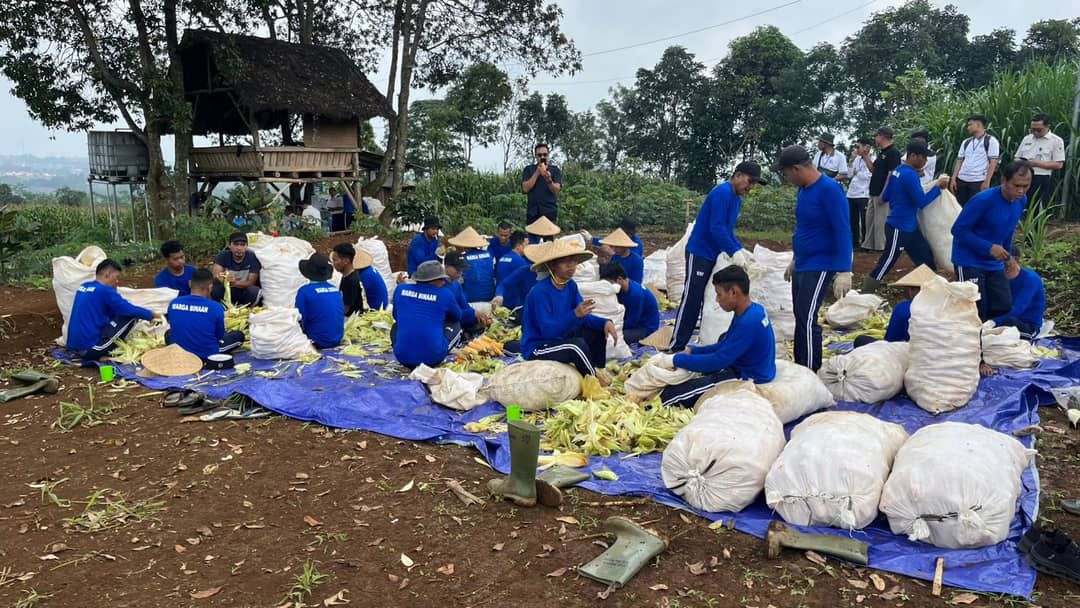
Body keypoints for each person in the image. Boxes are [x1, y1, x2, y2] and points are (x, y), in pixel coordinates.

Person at [670, 161, 768, 352]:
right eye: (750, 181)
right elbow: (716, 227)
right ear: (738, 175)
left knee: (707, 297)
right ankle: (676, 345)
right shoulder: (723, 193)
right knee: (692, 298)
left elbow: (727, 230)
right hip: (700, 252)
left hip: (713, 254)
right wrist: (733, 251)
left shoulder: (736, 199)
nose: (750, 187)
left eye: (754, 184)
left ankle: (702, 343)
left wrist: (740, 250)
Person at [775, 145, 852, 371]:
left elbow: (842, 229)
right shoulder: (804, 191)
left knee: (808, 318)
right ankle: (800, 367)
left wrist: (844, 269)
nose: (787, 178)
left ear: (796, 169)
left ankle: (810, 371)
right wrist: (795, 258)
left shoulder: (830, 189)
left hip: (821, 264)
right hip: (803, 263)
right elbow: (805, 227)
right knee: (800, 316)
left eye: (786, 173)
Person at [655, 266, 776, 408]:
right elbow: (724, 345)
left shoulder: (748, 322)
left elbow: (717, 361)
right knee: (722, 338)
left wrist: (675, 359)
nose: (717, 300)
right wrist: (692, 351)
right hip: (747, 365)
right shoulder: (753, 309)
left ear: (733, 292)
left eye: (719, 294)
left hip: (749, 377)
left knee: (670, 397)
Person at [862, 140, 949, 293]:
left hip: (909, 227)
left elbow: (885, 197)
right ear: (913, 156)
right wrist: (938, 188)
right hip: (899, 228)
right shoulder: (910, 175)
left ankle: (930, 286)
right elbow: (921, 202)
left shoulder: (898, 171)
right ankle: (867, 289)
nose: (925, 161)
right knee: (889, 259)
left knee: (925, 256)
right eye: (923, 157)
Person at [951, 160, 1033, 322]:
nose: (1021, 191)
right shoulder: (983, 200)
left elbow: (1008, 230)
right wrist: (989, 247)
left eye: (1026, 186)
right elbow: (958, 230)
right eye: (1016, 185)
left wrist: (1008, 257)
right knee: (975, 310)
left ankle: (990, 335)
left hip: (993, 262)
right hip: (968, 261)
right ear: (1004, 180)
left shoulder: (1021, 200)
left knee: (1002, 306)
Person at [520, 240, 618, 376]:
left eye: (573, 261)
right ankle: (594, 380)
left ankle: (599, 370)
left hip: (560, 338)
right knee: (575, 346)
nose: (570, 265)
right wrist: (575, 315)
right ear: (553, 265)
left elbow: (582, 316)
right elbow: (547, 331)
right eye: (564, 261)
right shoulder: (540, 292)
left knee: (597, 331)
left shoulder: (570, 285)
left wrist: (604, 322)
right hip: (539, 346)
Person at [67, 259, 158, 361]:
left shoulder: (84, 287)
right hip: (90, 349)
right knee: (132, 316)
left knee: (117, 314)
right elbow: (128, 309)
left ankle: (96, 352)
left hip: (73, 347)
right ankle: (99, 355)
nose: (117, 281)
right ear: (108, 274)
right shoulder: (105, 290)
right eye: (116, 277)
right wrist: (151, 315)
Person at [391, 261, 464, 368]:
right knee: (456, 324)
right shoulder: (445, 294)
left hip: (402, 358)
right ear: (433, 280)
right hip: (433, 359)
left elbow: (396, 316)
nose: (444, 283)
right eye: (441, 279)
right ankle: (439, 350)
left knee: (396, 325)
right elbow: (457, 316)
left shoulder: (400, 289)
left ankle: (405, 350)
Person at [165, 269, 245, 359]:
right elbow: (219, 336)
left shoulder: (174, 303)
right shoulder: (215, 307)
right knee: (239, 335)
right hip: (207, 354)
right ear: (210, 287)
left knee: (169, 333)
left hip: (180, 351)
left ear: (190, 283)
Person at [852, 264, 937, 348]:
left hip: (914, 353)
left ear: (912, 290)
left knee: (860, 340)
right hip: (942, 354)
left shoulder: (904, 308)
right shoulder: (944, 306)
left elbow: (891, 341)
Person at [992, 246, 1045, 340]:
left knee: (1008, 322)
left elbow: (1018, 309)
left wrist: (992, 322)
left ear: (1016, 259)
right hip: (1004, 319)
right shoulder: (998, 278)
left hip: (1027, 325)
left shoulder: (1030, 279)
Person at [862, 126, 902, 252]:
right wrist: (865, 156)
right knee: (870, 219)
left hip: (882, 192)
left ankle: (881, 246)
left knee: (880, 221)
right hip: (874, 190)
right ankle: (868, 244)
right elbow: (873, 170)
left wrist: (884, 193)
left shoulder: (893, 152)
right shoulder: (882, 153)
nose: (875, 138)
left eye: (876, 136)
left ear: (882, 136)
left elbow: (891, 174)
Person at [1016, 113, 1066, 211]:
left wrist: (1036, 163)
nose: (1035, 132)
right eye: (1033, 129)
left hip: (1041, 177)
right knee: (1020, 204)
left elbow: (1059, 164)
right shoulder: (1027, 138)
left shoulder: (1056, 141)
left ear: (1048, 127)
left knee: (1037, 206)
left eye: (1039, 130)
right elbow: (1017, 158)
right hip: (1022, 176)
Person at [600, 262, 659, 345]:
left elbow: (632, 322)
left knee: (612, 337)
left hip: (644, 327)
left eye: (610, 283)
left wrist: (612, 326)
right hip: (628, 321)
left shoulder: (635, 295)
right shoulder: (621, 290)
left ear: (620, 279)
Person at [950, 114, 1001, 206]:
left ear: (978, 125)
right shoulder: (966, 142)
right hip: (962, 180)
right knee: (960, 207)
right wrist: (954, 178)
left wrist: (987, 181)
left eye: (970, 125)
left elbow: (993, 163)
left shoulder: (991, 141)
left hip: (978, 181)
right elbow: (959, 161)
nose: (968, 127)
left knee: (975, 207)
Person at [295, 254, 344, 349]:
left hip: (317, 341)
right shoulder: (335, 289)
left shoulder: (304, 291)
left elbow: (300, 319)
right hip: (337, 339)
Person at [443, 251, 493, 336]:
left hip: (460, 316)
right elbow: (452, 313)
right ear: (446, 266)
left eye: (462, 269)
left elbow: (465, 305)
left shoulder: (456, 284)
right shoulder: (441, 286)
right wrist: (473, 314)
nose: (460, 272)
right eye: (457, 269)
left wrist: (476, 313)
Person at [211, 232, 261, 306]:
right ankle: (223, 306)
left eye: (242, 245)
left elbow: (251, 282)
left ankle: (245, 306)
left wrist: (235, 283)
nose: (239, 248)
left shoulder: (252, 257)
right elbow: (215, 278)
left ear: (247, 246)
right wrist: (221, 279)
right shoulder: (222, 256)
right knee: (215, 290)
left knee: (254, 291)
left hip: (244, 290)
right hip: (227, 290)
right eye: (236, 244)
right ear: (229, 245)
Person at [448, 226, 495, 303]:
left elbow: (458, 280)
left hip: (471, 299)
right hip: (490, 296)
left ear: (463, 246)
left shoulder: (463, 258)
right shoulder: (488, 255)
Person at [332, 243, 380, 315]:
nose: (333, 263)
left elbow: (346, 309)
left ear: (346, 261)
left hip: (353, 317)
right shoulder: (348, 275)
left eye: (335, 260)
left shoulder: (351, 281)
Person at [522, 143, 562, 226]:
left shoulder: (555, 170)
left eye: (545, 154)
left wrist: (549, 179)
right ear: (536, 156)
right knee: (532, 234)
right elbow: (525, 188)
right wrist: (537, 172)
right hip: (533, 213)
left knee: (549, 235)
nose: (542, 157)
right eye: (539, 155)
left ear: (548, 155)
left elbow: (556, 190)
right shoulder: (528, 169)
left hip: (549, 212)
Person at [846, 137, 874, 248]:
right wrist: (850, 161)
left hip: (863, 194)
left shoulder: (873, 158)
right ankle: (855, 242)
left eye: (859, 147)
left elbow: (869, 176)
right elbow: (849, 175)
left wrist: (857, 173)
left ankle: (865, 243)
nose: (857, 149)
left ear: (867, 147)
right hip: (852, 193)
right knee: (853, 220)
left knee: (864, 220)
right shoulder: (856, 159)